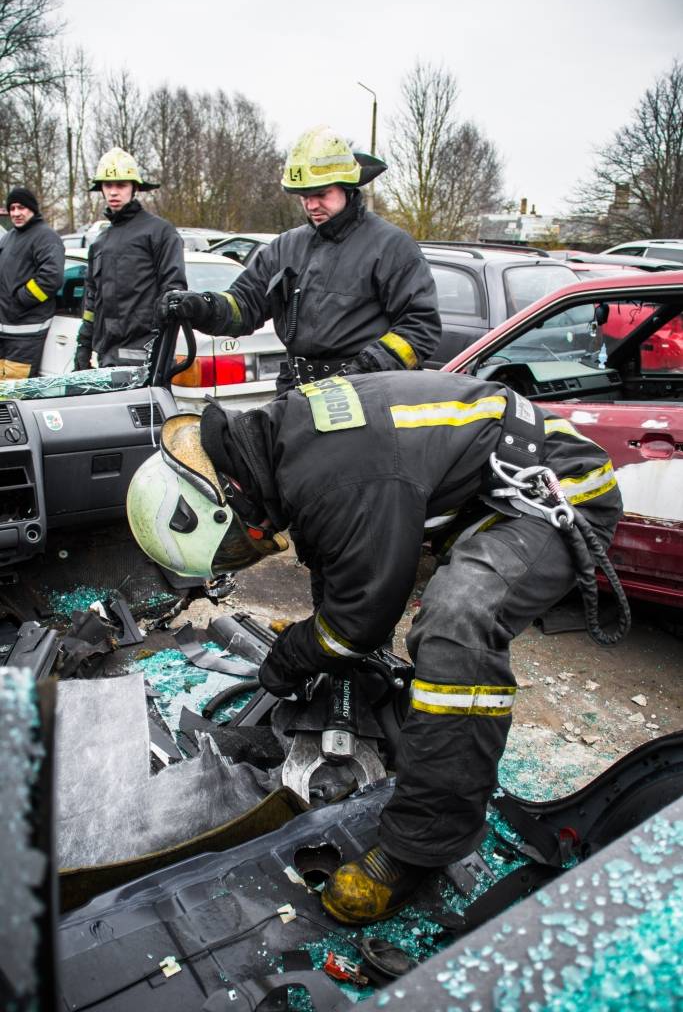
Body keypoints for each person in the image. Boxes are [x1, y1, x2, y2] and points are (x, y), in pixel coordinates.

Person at [126, 370, 624, 925]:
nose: (257, 547)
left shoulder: (343, 479)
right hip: (488, 487)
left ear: (225, 508)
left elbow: (359, 620)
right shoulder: (282, 442)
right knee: (366, 612)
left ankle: (425, 842)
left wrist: (298, 653)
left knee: (456, 621)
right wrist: (325, 639)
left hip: (556, 492)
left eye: (237, 548)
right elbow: (341, 559)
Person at [157, 125, 441, 393]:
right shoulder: (285, 247)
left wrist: (364, 370)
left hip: (368, 395)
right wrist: (203, 307)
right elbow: (245, 304)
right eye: (303, 196)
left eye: (321, 194)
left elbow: (419, 328)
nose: (311, 205)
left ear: (348, 187)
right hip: (299, 392)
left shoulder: (391, 246)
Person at [75, 147, 187, 370]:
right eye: (108, 185)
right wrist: (83, 346)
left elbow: (174, 291)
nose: (114, 192)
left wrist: (160, 348)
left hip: (145, 355)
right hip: (107, 356)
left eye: (121, 185)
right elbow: (91, 299)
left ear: (134, 187)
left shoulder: (160, 232)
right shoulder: (100, 242)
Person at [0, 187, 64, 378]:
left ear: (32, 209)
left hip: (26, 333)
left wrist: (20, 299)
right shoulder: (8, 238)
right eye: (12, 208)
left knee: (13, 394)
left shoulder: (46, 237)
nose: (16, 213)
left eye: (21, 208)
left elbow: (51, 278)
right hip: (5, 331)